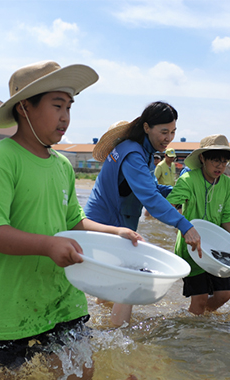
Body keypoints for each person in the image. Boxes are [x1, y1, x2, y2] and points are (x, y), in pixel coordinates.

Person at [0, 60, 142, 380]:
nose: (65, 117)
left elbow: (72, 219)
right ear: (25, 107)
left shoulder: (61, 165)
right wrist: (46, 245)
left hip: (60, 296)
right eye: (56, 106)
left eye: (69, 108)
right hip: (8, 306)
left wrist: (112, 231)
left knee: (82, 372)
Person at [85, 102, 201, 326]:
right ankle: (120, 338)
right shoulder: (133, 154)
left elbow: (150, 188)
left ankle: (101, 322)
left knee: (110, 284)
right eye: (164, 132)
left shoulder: (140, 151)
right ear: (147, 127)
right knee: (130, 279)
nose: (168, 138)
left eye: (173, 132)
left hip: (112, 223)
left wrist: (179, 192)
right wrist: (185, 225)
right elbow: (150, 199)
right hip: (105, 225)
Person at [167, 134, 230, 315]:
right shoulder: (188, 180)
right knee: (200, 297)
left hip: (216, 247)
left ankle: (199, 317)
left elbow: (227, 217)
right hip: (192, 247)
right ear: (202, 158)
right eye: (215, 160)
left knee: (224, 294)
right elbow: (169, 206)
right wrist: (183, 226)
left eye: (224, 162)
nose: (220, 166)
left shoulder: (227, 184)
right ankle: (195, 337)